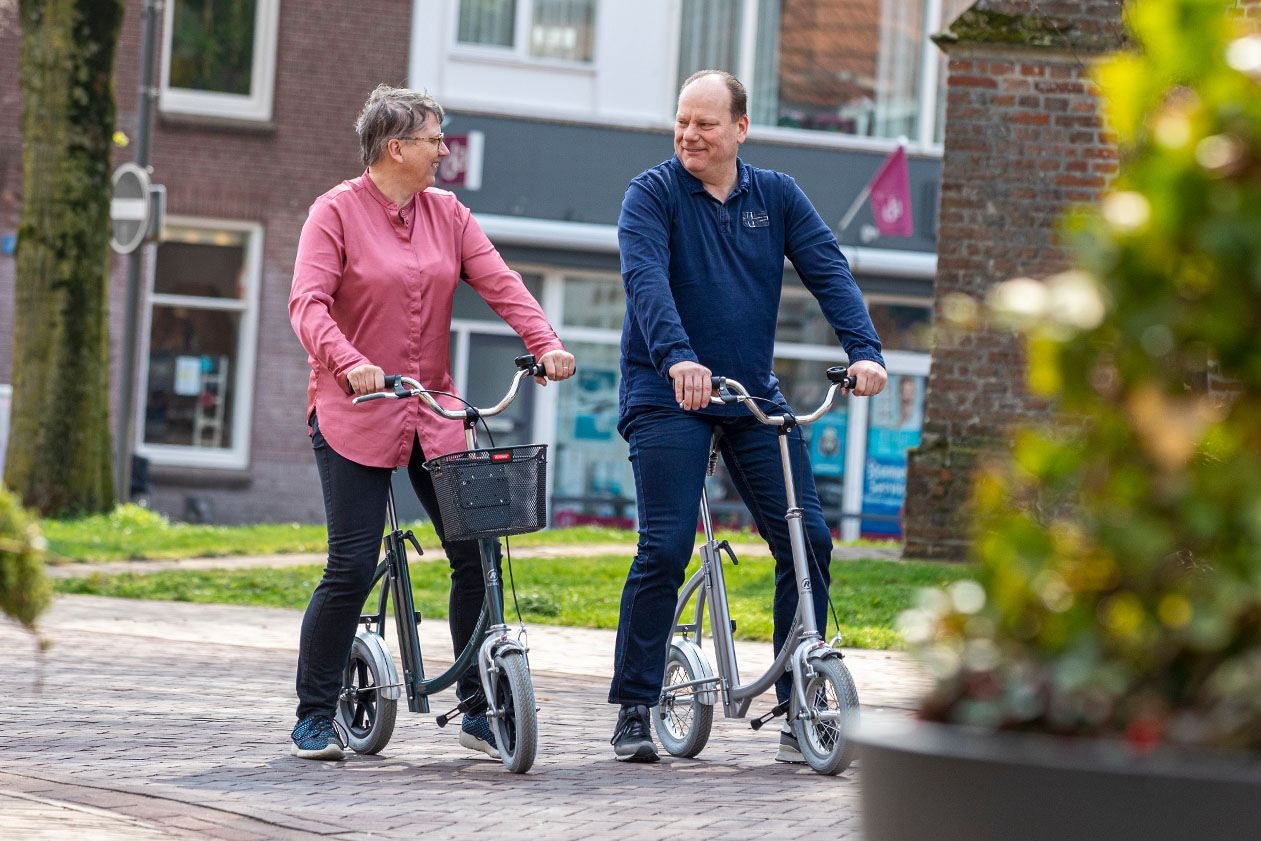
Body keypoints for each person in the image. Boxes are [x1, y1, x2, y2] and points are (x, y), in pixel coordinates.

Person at [288, 85, 576, 761]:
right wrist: (349, 361)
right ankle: (314, 712)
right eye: (433, 138)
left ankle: (478, 704)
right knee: (350, 564)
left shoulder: (448, 214)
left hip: (434, 411)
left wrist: (546, 342)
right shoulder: (332, 212)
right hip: (354, 409)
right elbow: (307, 305)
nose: (443, 149)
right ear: (396, 147)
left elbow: (500, 281)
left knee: (475, 553)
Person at [609, 70, 887, 762]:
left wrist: (864, 351)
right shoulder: (650, 195)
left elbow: (827, 269)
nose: (689, 134)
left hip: (749, 393)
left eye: (705, 123)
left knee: (808, 540)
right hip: (665, 390)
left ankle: (800, 699)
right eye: (681, 121)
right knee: (666, 544)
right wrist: (676, 357)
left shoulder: (776, 196)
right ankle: (636, 704)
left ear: (739, 129)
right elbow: (644, 280)